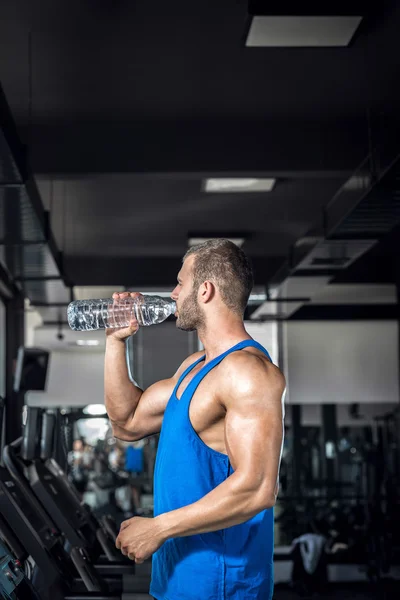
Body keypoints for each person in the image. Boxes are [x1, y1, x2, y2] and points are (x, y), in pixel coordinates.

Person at [104, 239, 285, 600]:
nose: (173, 294)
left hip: (221, 586)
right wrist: (115, 341)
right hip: (176, 579)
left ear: (205, 290)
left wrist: (158, 528)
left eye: (180, 282)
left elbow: (259, 488)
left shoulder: (248, 372)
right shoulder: (194, 368)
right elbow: (126, 422)